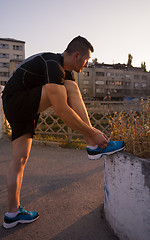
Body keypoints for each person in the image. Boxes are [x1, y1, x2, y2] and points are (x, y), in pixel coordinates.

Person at [2, 36, 125, 228]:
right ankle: (92, 143)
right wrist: (93, 132)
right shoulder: (53, 64)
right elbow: (61, 111)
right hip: (17, 101)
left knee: (19, 160)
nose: (86, 65)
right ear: (77, 55)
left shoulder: (65, 72)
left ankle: (12, 213)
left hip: (19, 106)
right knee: (70, 87)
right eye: (86, 60)